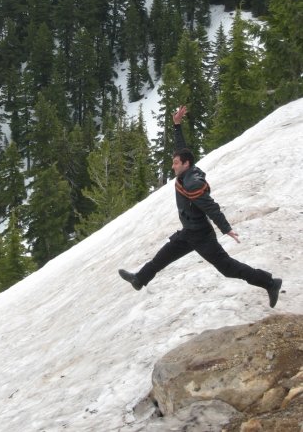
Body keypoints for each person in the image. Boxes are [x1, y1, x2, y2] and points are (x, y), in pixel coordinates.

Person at [118, 105, 282, 308]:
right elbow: (181, 150)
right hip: (189, 232)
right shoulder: (186, 169)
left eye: (175, 163)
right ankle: (139, 279)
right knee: (162, 257)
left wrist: (226, 228)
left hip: (202, 236)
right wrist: (177, 125)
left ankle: (270, 283)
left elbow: (211, 207)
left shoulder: (192, 183)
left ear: (185, 164)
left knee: (228, 268)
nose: (173, 165)